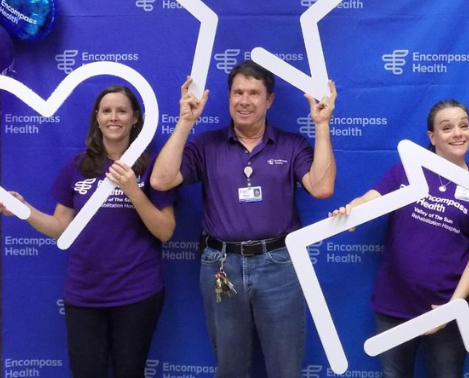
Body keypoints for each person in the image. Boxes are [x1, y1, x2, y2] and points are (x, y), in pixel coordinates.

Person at [150, 60, 337, 378]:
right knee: (230, 367)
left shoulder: (291, 144)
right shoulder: (206, 144)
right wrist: (185, 122)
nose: (244, 101)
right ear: (228, 97)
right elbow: (161, 180)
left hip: (279, 264)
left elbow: (322, 188)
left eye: (253, 93)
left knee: (285, 367)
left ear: (269, 100)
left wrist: (321, 125)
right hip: (221, 265)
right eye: (237, 92)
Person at [0, 85, 176, 378]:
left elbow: (165, 231)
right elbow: (61, 229)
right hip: (84, 295)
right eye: (106, 111)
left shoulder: (152, 167)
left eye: (122, 111)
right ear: (97, 117)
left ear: (135, 118)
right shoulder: (78, 167)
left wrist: (133, 190)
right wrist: (23, 209)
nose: (113, 117)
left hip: (136, 293)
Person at [330, 99, 469, 378]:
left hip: (447, 308)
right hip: (395, 305)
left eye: (464, 126)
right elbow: (371, 198)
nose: (458, 133)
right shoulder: (409, 170)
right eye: (447, 127)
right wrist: (352, 211)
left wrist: (451, 308)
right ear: (432, 136)